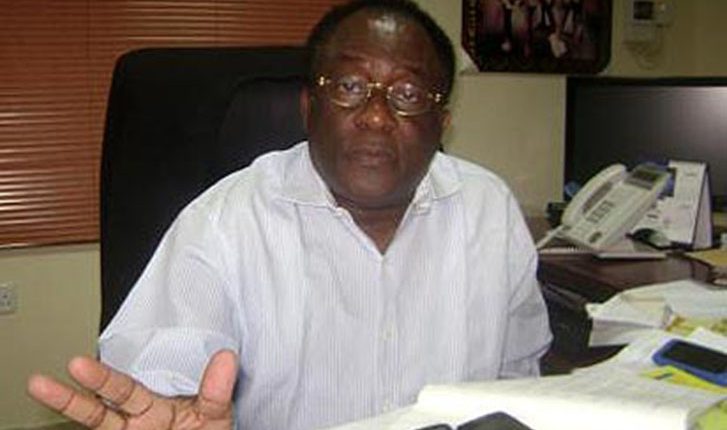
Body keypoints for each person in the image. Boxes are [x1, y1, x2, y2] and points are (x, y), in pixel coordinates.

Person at [27, 1, 552, 429]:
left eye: (408, 94)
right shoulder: (226, 221)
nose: (375, 116)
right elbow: (163, 379)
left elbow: (518, 381)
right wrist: (174, 411)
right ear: (308, 108)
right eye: (349, 87)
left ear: (442, 123)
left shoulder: (489, 210)